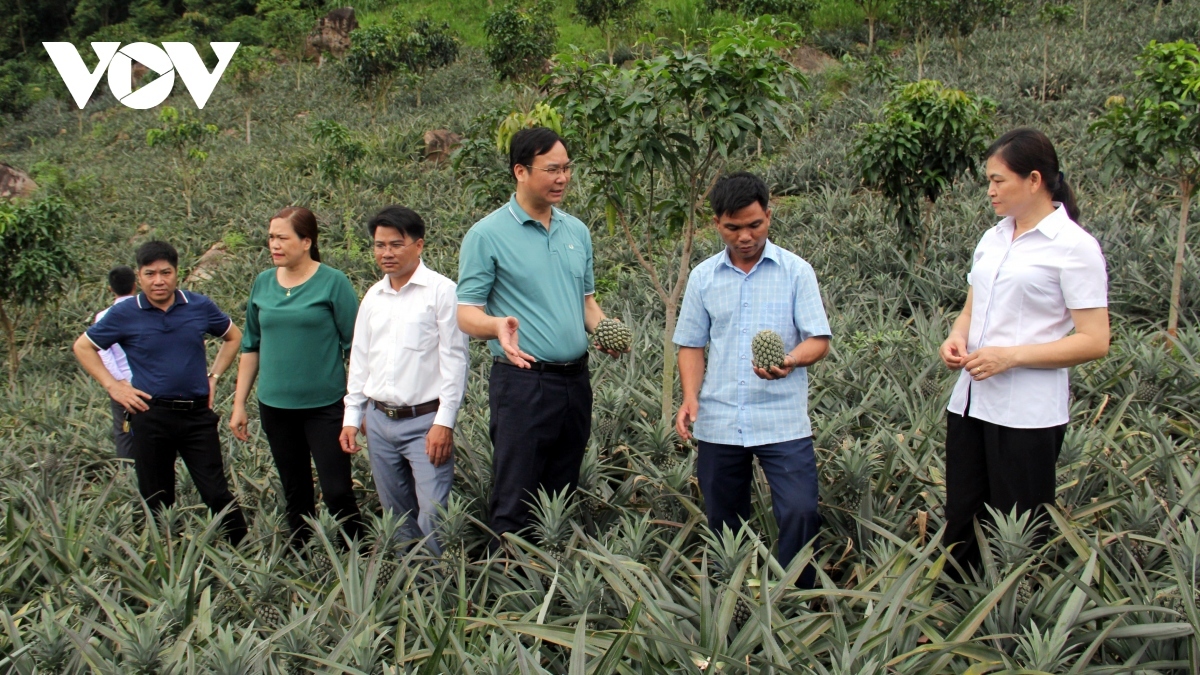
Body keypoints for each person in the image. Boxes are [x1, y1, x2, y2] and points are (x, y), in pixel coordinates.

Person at [938, 128, 1109, 578]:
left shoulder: (1074, 247)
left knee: (1017, 530)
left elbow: (1095, 339)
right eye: (988, 181)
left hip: (1028, 414)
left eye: (998, 180)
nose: (990, 190)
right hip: (971, 402)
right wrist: (956, 337)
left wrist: (1010, 357)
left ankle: (1012, 626)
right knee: (961, 518)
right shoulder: (993, 238)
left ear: (1034, 180)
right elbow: (970, 311)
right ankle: (955, 617)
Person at [456, 126, 625, 545]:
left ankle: (550, 581)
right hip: (523, 382)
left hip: (575, 382)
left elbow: (586, 303)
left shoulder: (576, 232)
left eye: (567, 168)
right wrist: (496, 325)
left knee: (560, 491)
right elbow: (466, 313)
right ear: (520, 171)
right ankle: (509, 591)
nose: (562, 178)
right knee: (515, 493)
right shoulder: (487, 234)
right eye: (552, 169)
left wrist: (603, 329)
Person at [674, 171, 831, 589]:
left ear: (769, 216)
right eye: (733, 227)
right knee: (725, 520)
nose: (745, 236)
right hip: (721, 418)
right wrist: (690, 397)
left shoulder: (796, 272)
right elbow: (690, 344)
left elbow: (819, 340)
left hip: (782, 418)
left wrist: (791, 360)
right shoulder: (703, 278)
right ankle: (734, 598)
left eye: (754, 225)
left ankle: (795, 597)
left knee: (799, 510)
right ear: (716, 224)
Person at [73, 241, 248, 545]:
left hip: (196, 415)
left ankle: (242, 550)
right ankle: (165, 554)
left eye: (165, 272)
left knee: (215, 490)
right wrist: (113, 385)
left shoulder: (198, 305)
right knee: (156, 495)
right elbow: (83, 346)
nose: (159, 281)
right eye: (150, 273)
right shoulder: (126, 313)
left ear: (176, 273)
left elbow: (233, 337)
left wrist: (214, 376)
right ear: (139, 277)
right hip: (150, 414)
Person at [229, 206, 364, 545]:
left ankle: (359, 554)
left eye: (282, 238)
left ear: (306, 241)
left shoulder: (333, 282)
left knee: (337, 491)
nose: (274, 244)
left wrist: (359, 405)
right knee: (295, 489)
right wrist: (239, 404)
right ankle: (302, 555)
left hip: (325, 406)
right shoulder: (263, 283)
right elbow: (251, 345)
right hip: (275, 406)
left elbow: (357, 348)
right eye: (271, 237)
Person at [339, 206, 469, 554]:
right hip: (379, 422)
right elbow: (360, 361)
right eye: (380, 245)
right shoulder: (373, 298)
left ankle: (437, 591)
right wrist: (353, 417)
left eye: (396, 244)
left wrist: (445, 422)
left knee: (433, 514)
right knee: (396, 515)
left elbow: (455, 361)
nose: (386, 253)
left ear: (419, 245)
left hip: (426, 423)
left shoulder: (442, 292)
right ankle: (408, 594)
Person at [94, 265, 137, 460]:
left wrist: (120, 382)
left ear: (110, 288)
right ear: (135, 285)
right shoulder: (145, 310)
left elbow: (104, 355)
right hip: (151, 382)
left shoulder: (103, 317)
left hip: (121, 386)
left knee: (124, 432)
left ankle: (126, 479)